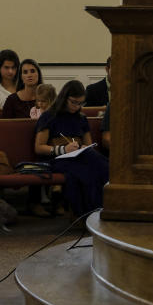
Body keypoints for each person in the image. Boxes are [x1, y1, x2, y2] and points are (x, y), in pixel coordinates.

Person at [34, 80, 109, 217]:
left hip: (78, 156)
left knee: (93, 163)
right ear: (64, 98)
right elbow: (39, 148)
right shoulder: (49, 116)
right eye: (74, 102)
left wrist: (84, 147)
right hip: (57, 159)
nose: (76, 106)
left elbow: (89, 144)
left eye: (80, 103)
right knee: (88, 172)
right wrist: (63, 149)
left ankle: (102, 209)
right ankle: (90, 214)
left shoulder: (81, 118)